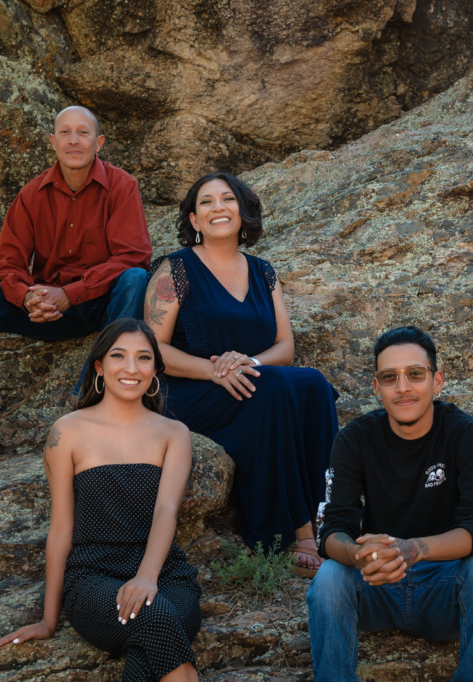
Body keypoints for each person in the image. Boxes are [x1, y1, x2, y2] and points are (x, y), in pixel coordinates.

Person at [142, 172, 338, 575]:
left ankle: (332, 519)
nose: (218, 208)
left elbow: (285, 346)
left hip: (250, 380)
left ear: (242, 211)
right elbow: (151, 348)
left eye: (227, 199)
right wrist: (214, 371)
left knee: (314, 384)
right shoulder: (173, 269)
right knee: (273, 391)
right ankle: (290, 532)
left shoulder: (264, 272)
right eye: (207, 202)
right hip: (188, 390)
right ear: (194, 220)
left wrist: (250, 364)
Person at [0, 318, 201, 682]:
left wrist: (147, 578)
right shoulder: (67, 432)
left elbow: (167, 510)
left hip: (166, 576)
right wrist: (49, 619)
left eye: (144, 358)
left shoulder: (174, 434)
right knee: (156, 621)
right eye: (119, 356)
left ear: (155, 370)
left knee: (156, 625)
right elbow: (60, 530)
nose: (132, 368)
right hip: (93, 579)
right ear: (99, 367)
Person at [0, 105, 151, 468]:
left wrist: (70, 295)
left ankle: (94, 399)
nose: (74, 140)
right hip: (44, 311)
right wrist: (27, 295)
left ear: (98, 142)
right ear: (52, 142)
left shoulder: (121, 186)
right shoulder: (31, 195)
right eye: (66, 133)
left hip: (102, 307)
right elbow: (7, 263)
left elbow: (132, 256)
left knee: (135, 279)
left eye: (83, 133)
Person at [307, 326, 473, 681]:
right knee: (328, 578)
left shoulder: (465, 432)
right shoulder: (354, 439)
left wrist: (412, 549)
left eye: (415, 374)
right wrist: (357, 555)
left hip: (444, 589)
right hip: (376, 583)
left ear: (437, 381)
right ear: (377, 387)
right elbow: (331, 529)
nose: (403, 387)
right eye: (390, 377)